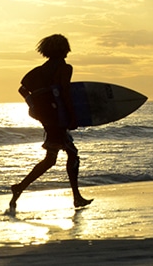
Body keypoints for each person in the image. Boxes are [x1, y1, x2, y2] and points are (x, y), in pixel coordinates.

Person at [9, 34, 92, 212]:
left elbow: (22, 89)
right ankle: (76, 197)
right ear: (63, 49)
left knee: (52, 159)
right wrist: (72, 117)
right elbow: (65, 94)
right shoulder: (64, 68)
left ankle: (20, 188)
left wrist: (36, 105)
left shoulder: (38, 71)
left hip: (47, 117)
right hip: (58, 118)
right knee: (71, 154)